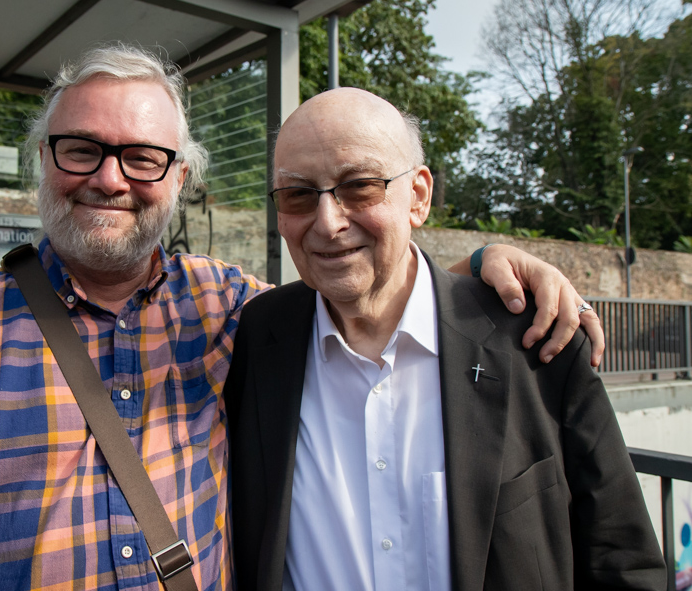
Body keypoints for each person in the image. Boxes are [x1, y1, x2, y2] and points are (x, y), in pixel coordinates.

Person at [0, 45, 604, 591]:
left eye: (142, 157)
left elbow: (367, 284)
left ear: (179, 177)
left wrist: (485, 266)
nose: (110, 179)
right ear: (44, 159)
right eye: (80, 148)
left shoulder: (232, 308)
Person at [225, 87, 665, 591]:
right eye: (299, 194)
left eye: (361, 186)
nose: (328, 222)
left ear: (417, 197)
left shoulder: (536, 341)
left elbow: (623, 564)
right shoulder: (255, 337)